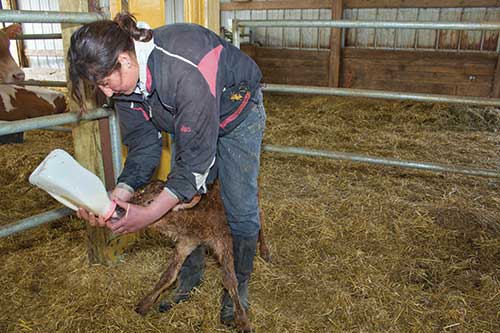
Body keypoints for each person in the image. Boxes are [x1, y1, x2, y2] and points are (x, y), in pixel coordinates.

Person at [67, 13, 266, 326]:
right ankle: (189, 280)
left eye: (105, 82)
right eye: (98, 86)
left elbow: (196, 164)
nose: (106, 93)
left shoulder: (183, 67)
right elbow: (145, 146)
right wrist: (118, 196)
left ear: (124, 60)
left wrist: (147, 215)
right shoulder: (126, 84)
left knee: (239, 205)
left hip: (235, 115)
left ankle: (236, 290)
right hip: (185, 117)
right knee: (183, 200)